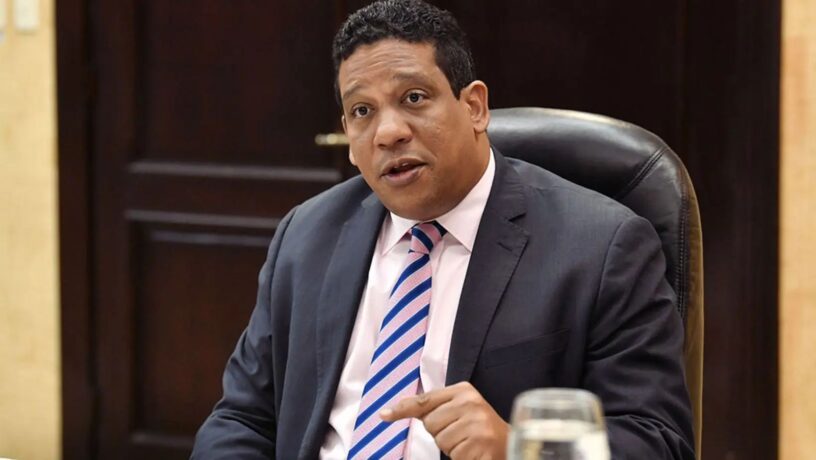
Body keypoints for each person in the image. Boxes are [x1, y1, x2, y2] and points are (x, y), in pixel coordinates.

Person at [191, 0, 694, 458]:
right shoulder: (307, 235)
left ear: (474, 107)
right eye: (363, 111)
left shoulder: (602, 248)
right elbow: (243, 419)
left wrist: (518, 448)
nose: (389, 133)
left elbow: (659, 441)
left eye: (413, 98)